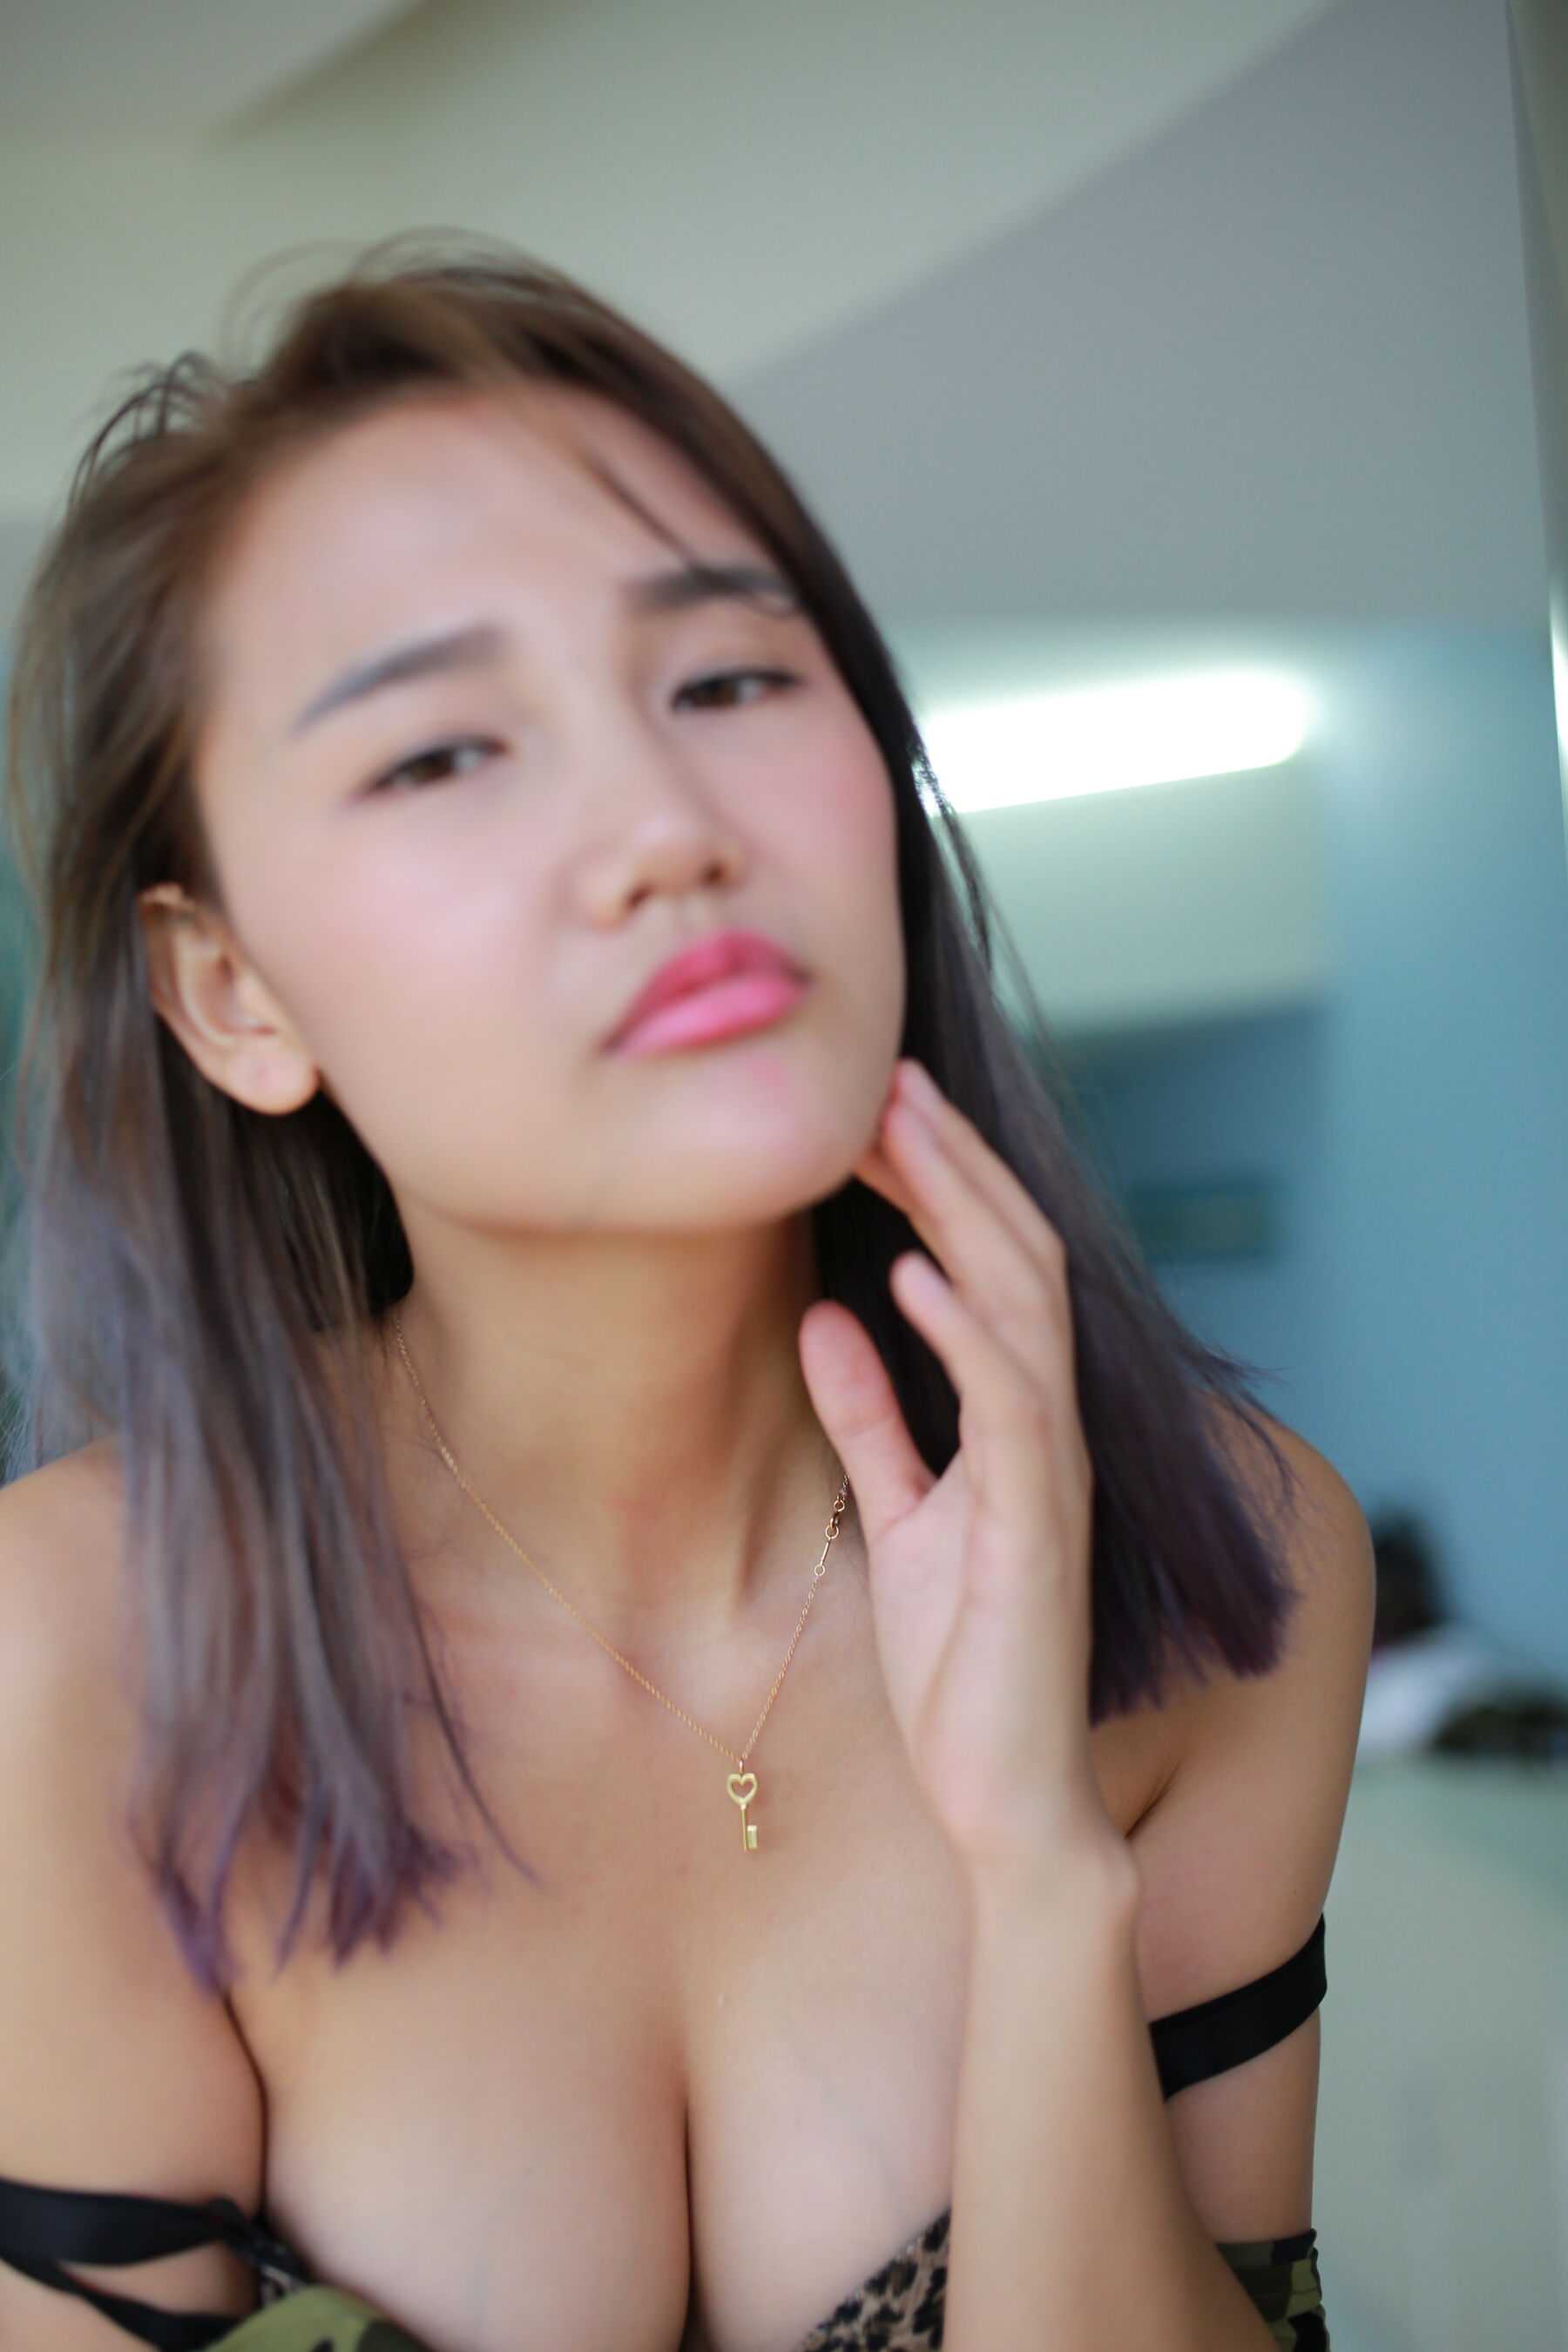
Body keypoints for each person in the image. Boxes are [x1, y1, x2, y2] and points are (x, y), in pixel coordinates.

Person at [0, 237, 1372, 2350]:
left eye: (727, 682)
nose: (664, 826)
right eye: (442, 754)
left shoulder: (1228, 1571)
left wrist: (1039, 1874)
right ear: (233, 992)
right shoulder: (80, 1656)